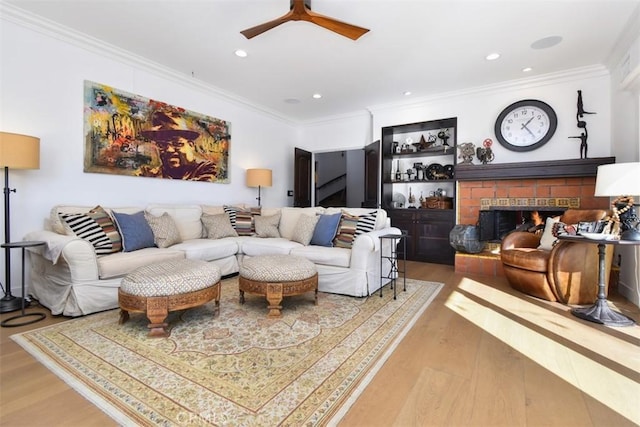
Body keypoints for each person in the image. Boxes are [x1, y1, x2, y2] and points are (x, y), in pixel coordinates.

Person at [139, 110, 217, 181]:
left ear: (191, 145)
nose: (169, 150)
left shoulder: (208, 169)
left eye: (177, 144)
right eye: (162, 145)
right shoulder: (151, 174)